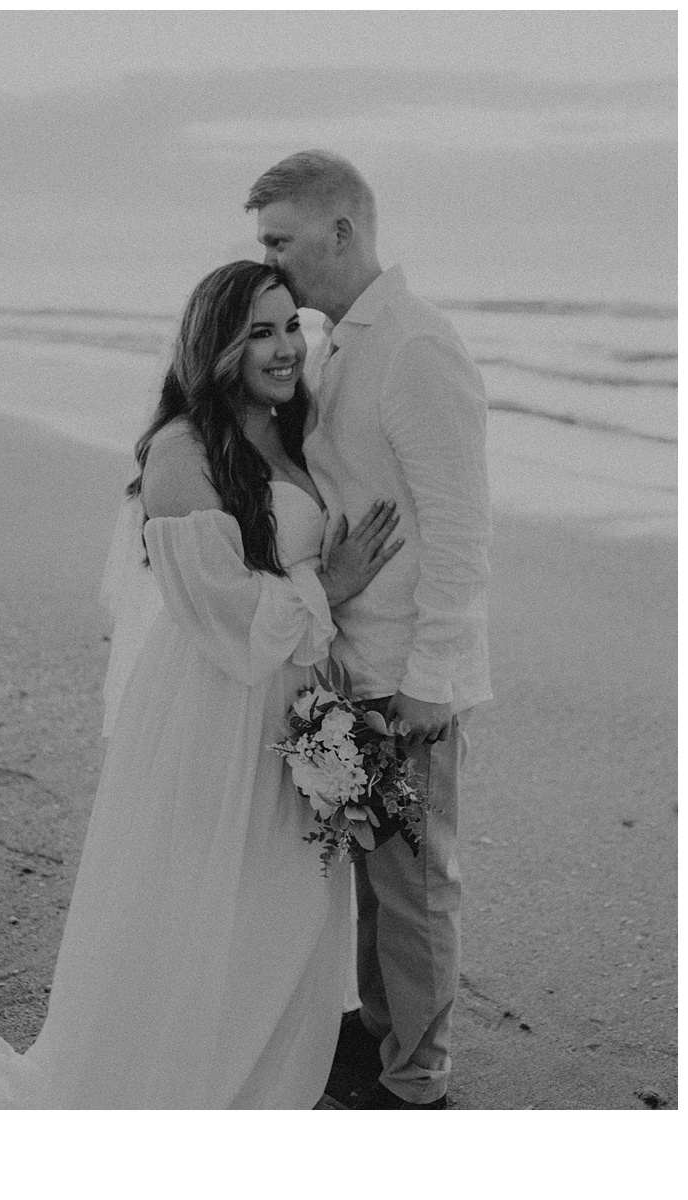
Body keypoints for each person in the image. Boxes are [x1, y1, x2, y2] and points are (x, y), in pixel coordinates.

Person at [0, 260, 403, 1110]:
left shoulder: (290, 433)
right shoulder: (182, 451)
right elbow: (217, 611)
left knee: (282, 911)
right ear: (215, 346)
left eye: (291, 324)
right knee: (202, 904)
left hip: (295, 703)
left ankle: (253, 1087)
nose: (285, 346)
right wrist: (329, 589)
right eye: (259, 331)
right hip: (216, 712)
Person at [246, 152, 492, 1109]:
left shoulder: (417, 347)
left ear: (341, 230)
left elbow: (462, 530)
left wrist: (434, 676)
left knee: (418, 884)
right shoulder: (338, 341)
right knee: (368, 869)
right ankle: (380, 1034)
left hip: (408, 670)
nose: (269, 258)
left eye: (281, 240)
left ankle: (416, 1080)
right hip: (353, 660)